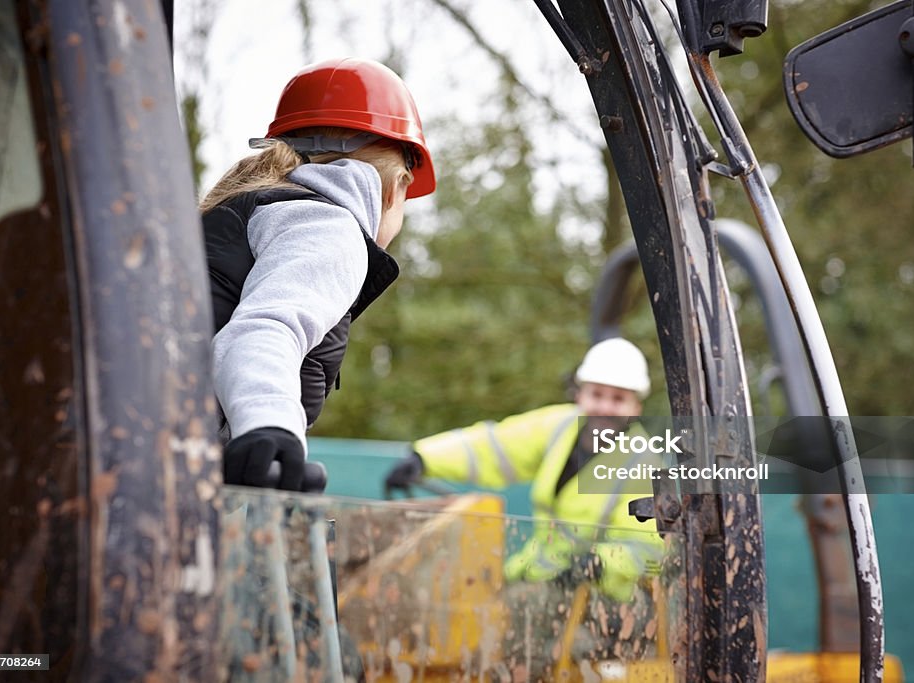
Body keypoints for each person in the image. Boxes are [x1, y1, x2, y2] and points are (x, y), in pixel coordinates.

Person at [200, 57, 435, 491]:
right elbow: (266, 328)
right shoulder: (327, 226)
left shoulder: (248, 212)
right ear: (396, 186)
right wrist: (270, 429)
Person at [384, 337, 665, 678]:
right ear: (579, 394)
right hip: (539, 576)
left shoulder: (643, 461)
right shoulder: (559, 427)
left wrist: (599, 565)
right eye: (597, 394)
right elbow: (494, 445)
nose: (604, 406)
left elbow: (648, 546)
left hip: (605, 598)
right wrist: (424, 457)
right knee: (466, 603)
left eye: (618, 398)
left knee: (514, 619)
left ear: (636, 406)